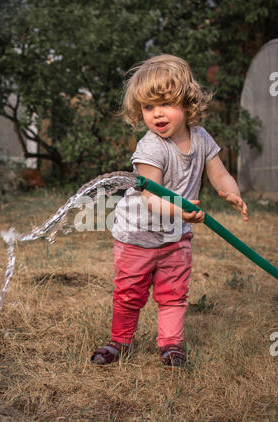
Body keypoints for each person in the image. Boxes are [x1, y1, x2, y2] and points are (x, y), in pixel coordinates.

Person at [91, 54, 248, 367]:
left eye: (165, 104)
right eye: (149, 107)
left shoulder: (201, 137)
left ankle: (171, 346)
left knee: (174, 293)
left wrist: (230, 190)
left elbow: (217, 170)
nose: (157, 114)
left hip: (176, 236)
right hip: (138, 236)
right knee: (129, 294)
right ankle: (118, 342)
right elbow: (151, 195)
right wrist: (181, 209)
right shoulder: (151, 148)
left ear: (187, 103)